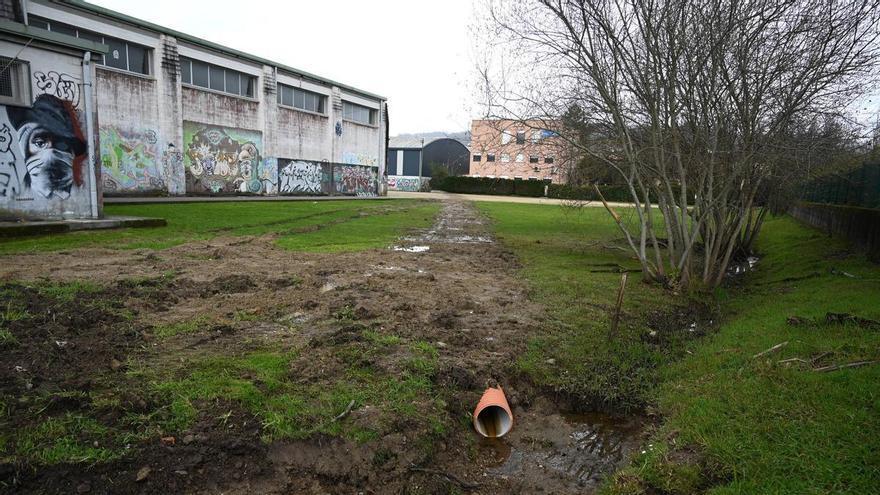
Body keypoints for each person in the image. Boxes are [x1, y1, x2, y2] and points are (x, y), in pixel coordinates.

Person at [6, 94, 86, 199]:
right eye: (40, 143)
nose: (50, 152)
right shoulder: (20, 192)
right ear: (24, 146)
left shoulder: (79, 191)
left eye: (61, 144)